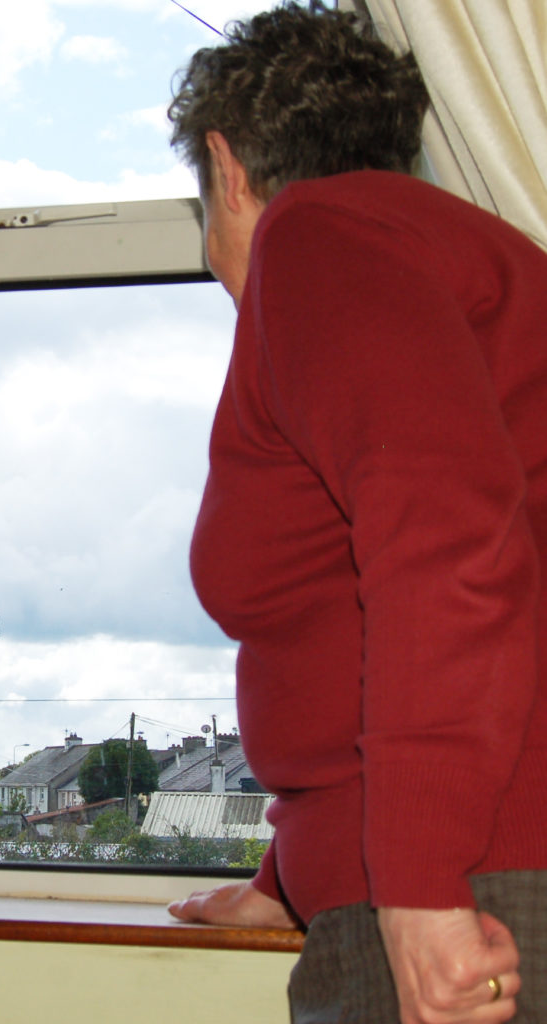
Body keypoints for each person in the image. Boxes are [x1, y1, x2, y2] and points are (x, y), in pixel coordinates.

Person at [164, 3, 547, 1022]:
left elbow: (447, 542)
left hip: (469, 883)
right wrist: (290, 871)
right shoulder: (461, 258)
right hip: (453, 864)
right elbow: (356, 619)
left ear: (227, 166)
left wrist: (419, 886)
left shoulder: (318, 237)